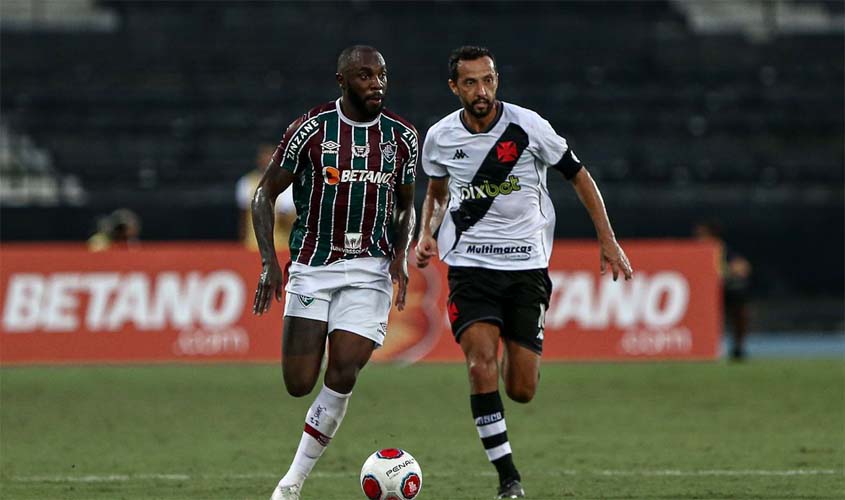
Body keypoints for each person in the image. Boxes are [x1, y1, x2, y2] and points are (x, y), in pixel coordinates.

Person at [415, 46, 632, 499]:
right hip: (470, 266)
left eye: (488, 79)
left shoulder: (528, 127)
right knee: (480, 366)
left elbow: (579, 176)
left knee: (522, 389)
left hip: (526, 268)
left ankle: (515, 363)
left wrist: (607, 240)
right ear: (454, 88)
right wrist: (426, 232)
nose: (482, 90)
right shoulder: (439, 137)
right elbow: (435, 192)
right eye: (471, 82)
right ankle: (508, 478)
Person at [251, 45, 417, 500]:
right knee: (298, 383)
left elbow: (406, 207)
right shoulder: (310, 129)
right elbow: (264, 195)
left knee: (343, 369)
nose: (376, 83)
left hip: (369, 269)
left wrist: (400, 253)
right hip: (312, 267)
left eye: (381, 74)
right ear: (342, 80)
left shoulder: (402, 136)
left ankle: (291, 483)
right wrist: (269, 261)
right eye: (365, 76)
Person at [694, 221, 752, 360]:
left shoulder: (721, 250)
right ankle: (702, 346)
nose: (698, 238)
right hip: (701, 291)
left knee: (739, 304)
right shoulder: (694, 252)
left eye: (702, 235)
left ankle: (738, 347)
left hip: (723, 289)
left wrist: (732, 271)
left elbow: (743, 267)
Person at [236, 143, 296, 250]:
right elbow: (243, 217)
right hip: (253, 245)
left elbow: (294, 220)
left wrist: (285, 218)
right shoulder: (246, 183)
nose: (266, 161)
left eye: (270, 157)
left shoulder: (288, 186)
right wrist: (243, 241)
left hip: (281, 246)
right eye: (264, 157)